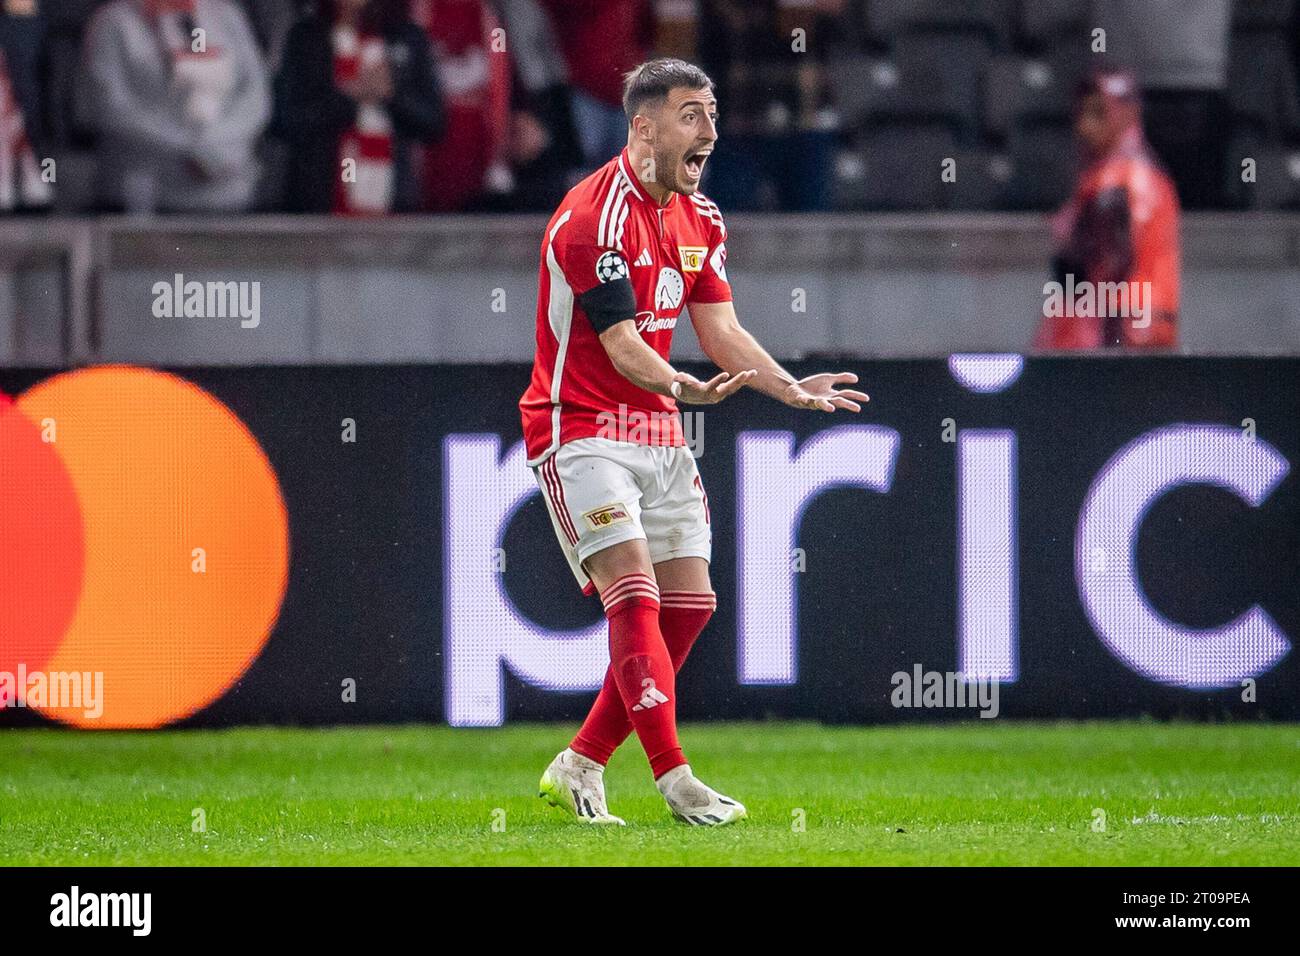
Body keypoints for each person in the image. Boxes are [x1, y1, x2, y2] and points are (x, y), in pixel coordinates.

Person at [519, 58, 868, 826]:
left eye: (711, 113)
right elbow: (619, 343)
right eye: (690, 114)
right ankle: (677, 781)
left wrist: (792, 387)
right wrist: (680, 384)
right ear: (642, 127)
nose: (708, 130)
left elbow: (721, 328)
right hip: (578, 425)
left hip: (658, 430)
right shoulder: (592, 217)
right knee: (635, 596)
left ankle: (579, 762)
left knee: (690, 605)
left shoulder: (701, 218)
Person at [1035, 69, 1180, 350]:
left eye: (1098, 114)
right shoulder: (1140, 176)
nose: (1085, 128)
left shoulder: (1117, 184)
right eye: (1083, 114)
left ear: (1127, 114)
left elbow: (1105, 278)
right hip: (1131, 335)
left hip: (1114, 340)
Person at [80, 0, 270, 213]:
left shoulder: (226, 14)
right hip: (145, 196)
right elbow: (110, 107)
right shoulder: (113, 21)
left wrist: (215, 147)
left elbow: (255, 96)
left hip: (227, 193)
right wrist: (190, 147)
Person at [273, 0, 443, 214]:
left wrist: (392, 97)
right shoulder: (307, 37)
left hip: (392, 205)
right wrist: (350, 97)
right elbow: (287, 121)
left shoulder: (408, 38)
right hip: (320, 201)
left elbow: (434, 123)